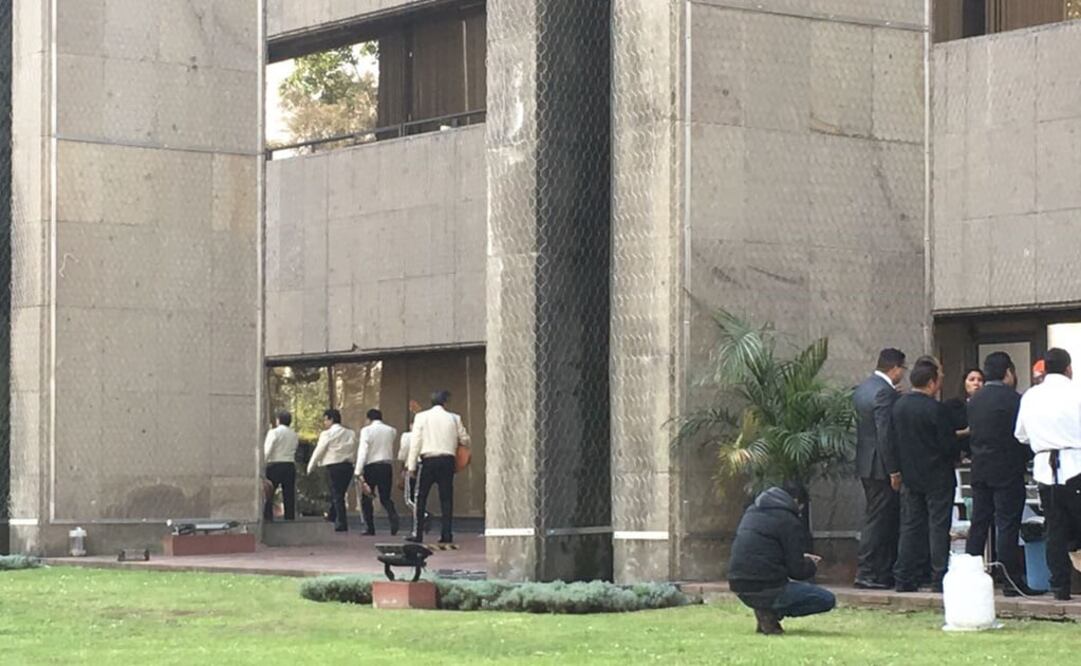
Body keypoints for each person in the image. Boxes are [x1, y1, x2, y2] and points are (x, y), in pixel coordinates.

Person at [965, 352, 1041, 596]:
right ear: (1008, 372)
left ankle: (969, 575)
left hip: (980, 467)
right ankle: (1011, 581)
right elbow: (1022, 437)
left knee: (979, 523)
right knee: (1007, 524)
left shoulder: (974, 400)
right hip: (1007, 469)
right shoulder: (1015, 400)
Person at [1015, 348, 1081, 601]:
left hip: (1044, 468)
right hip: (1076, 463)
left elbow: (1020, 435)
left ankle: (1059, 586)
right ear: (1068, 368)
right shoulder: (1076, 391)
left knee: (1055, 529)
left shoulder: (1031, 396)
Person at [727, 486, 836, 636]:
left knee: (770, 589)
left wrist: (799, 558)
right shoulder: (788, 520)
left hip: (737, 583)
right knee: (826, 599)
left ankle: (765, 610)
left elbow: (765, 551)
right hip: (768, 586)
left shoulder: (751, 512)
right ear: (796, 501)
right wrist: (811, 564)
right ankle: (771, 612)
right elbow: (797, 571)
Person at [892, 360, 958, 592]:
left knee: (910, 526)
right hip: (938, 475)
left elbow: (892, 440)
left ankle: (904, 577)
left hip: (910, 474)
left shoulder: (899, 406)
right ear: (931, 382)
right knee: (938, 526)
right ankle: (939, 577)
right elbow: (948, 445)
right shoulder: (936, 409)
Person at [853, 348, 906, 589]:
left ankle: (875, 571)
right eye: (902, 369)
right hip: (880, 465)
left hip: (866, 462)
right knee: (879, 520)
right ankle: (868, 571)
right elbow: (885, 433)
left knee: (876, 516)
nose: (903, 374)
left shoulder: (864, 388)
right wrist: (894, 470)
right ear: (895, 368)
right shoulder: (884, 392)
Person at [406, 390, 470, 544]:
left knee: (420, 497)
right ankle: (446, 534)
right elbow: (465, 439)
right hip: (447, 461)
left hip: (428, 460)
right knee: (446, 498)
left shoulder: (421, 417)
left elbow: (415, 443)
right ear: (445, 402)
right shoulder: (454, 418)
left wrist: (411, 466)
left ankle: (418, 533)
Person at [307, 409, 358, 532]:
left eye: (325, 420)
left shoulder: (327, 434)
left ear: (331, 419)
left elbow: (319, 450)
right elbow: (355, 447)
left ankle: (341, 522)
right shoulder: (351, 433)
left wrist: (310, 466)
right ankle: (332, 515)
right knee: (340, 493)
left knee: (337, 494)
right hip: (347, 466)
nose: (324, 423)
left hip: (333, 466)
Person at [354, 409, 400, 536]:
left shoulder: (366, 430)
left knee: (367, 498)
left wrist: (358, 470)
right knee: (385, 497)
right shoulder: (391, 431)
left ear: (368, 419)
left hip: (371, 466)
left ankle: (370, 528)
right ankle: (393, 515)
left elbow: (363, 450)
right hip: (386, 466)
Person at [263, 411, 299, 521]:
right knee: (289, 493)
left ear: (278, 420)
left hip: (275, 464)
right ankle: (289, 517)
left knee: (269, 492)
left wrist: (263, 463)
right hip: (289, 464)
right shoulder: (294, 434)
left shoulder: (274, 432)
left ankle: (268, 516)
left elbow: (267, 449)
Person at [944, 368, 984, 458]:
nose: (976, 383)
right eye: (972, 379)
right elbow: (945, 433)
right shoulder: (952, 405)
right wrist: (964, 432)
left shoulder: (987, 405)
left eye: (980, 380)